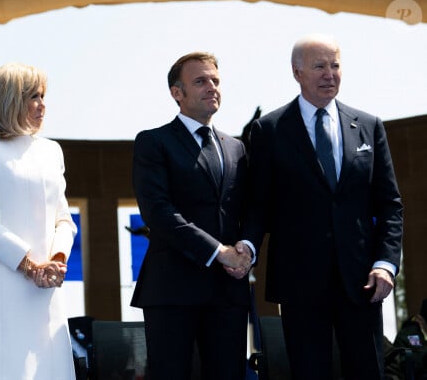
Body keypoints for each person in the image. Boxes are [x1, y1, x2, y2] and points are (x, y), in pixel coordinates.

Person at [239, 34, 404, 380]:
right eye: (319, 66)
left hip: (362, 282)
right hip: (300, 283)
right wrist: (248, 247)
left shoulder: (369, 126)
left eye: (335, 65)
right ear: (297, 72)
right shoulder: (268, 130)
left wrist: (386, 264)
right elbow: (259, 205)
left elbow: (390, 205)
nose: (330, 74)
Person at [131, 51, 253, 380]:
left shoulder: (236, 148)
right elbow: (158, 211)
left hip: (228, 291)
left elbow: (250, 208)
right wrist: (219, 252)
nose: (211, 87)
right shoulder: (153, 142)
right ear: (177, 93)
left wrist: (246, 248)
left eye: (215, 80)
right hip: (172, 288)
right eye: (200, 81)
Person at [0, 62, 78, 380]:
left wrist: (56, 261)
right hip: (0, 280)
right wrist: (29, 266)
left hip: (47, 286)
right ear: (9, 99)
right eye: (33, 96)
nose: (42, 104)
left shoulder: (51, 151)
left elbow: (64, 219)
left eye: (43, 95)